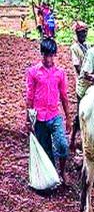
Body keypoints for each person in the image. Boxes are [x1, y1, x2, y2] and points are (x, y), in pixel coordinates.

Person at [26, 38, 71, 184]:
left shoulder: (60, 73)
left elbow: (64, 96)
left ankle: (63, 172)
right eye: (45, 55)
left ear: (55, 55)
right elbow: (30, 96)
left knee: (63, 145)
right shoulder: (33, 72)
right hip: (39, 118)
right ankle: (51, 177)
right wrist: (28, 119)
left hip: (55, 116)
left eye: (51, 55)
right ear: (42, 54)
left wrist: (68, 118)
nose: (48, 59)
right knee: (46, 150)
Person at [69, 21, 89, 151]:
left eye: (85, 32)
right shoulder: (74, 48)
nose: (84, 35)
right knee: (80, 114)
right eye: (81, 33)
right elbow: (77, 67)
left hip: (90, 84)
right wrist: (89, 74)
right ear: (77, 33)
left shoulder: (88, 45)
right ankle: (72, 140)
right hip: (82, 84)